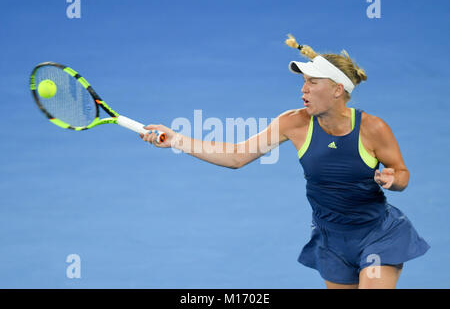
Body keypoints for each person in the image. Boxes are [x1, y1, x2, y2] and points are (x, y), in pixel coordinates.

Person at [139, 34, 430, 289]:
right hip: (332, 240)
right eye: (303, 82)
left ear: (337, 90)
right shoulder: (292, 123)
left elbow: (402, 174)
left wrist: (394, 180)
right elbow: (238, 156)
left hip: (378, 234)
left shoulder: (373, 128)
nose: (303, 90)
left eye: (312, 83)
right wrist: (176, 139)